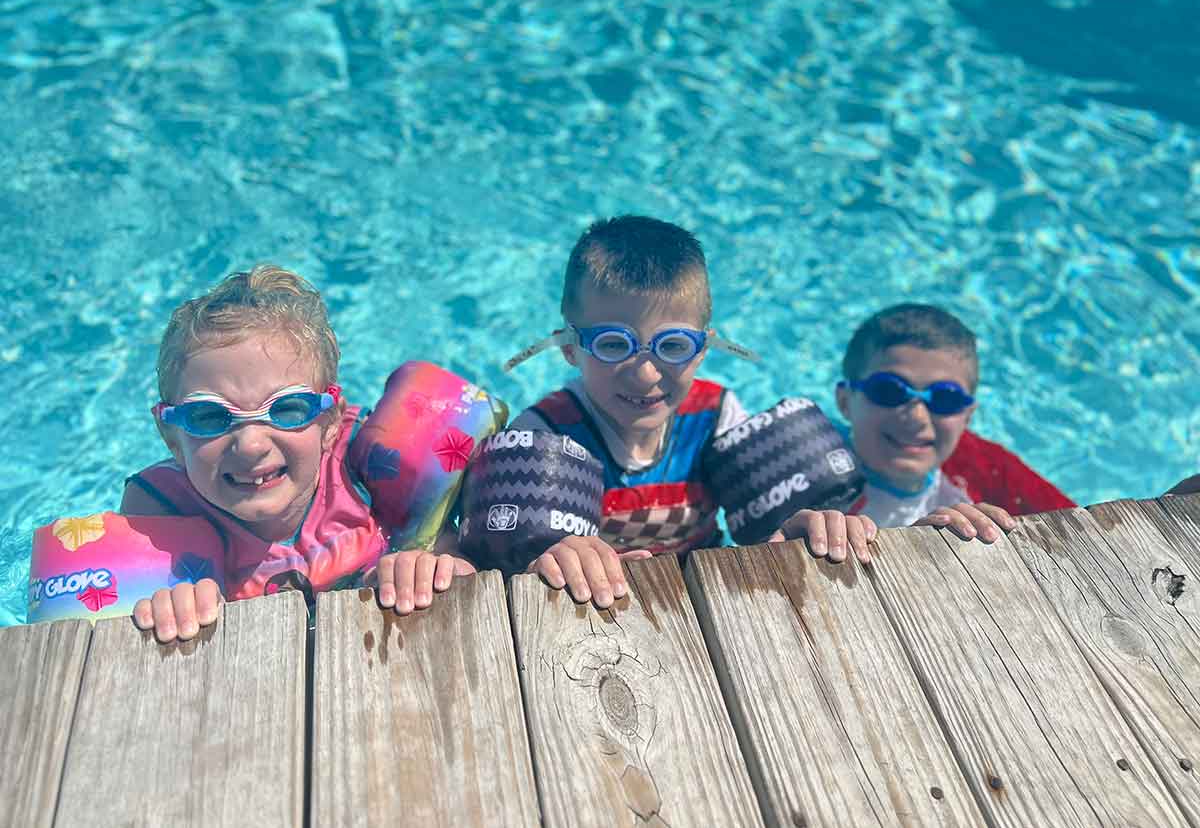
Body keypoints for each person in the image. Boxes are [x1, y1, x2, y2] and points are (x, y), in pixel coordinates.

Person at [503, 215, 875, 607]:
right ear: (569, 348)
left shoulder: (717, 415)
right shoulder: (543, 437)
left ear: (702, 349)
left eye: (673, 346)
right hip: (595, 609)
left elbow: (769, 535)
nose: (645, 375)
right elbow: (510, 569)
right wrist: (544, 560)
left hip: (707, 597)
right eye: (613, 345)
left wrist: (799, 525)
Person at [120, 266, 477, 641]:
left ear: (330, 422)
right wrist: (162, 603)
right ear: (171, 437)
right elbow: (124, 622)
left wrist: (424, 568)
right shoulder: (160, 510)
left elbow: (465, 570)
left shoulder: (366, 467)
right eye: (209, 416)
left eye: (287, 409)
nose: (251, 444)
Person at [821, 303, 1074, 540]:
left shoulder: (980, 462)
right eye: (889, 391)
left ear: (967, 416)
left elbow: (1074, 527)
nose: (917, 417)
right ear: (845, 402)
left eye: (945, 398)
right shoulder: (808, 471)